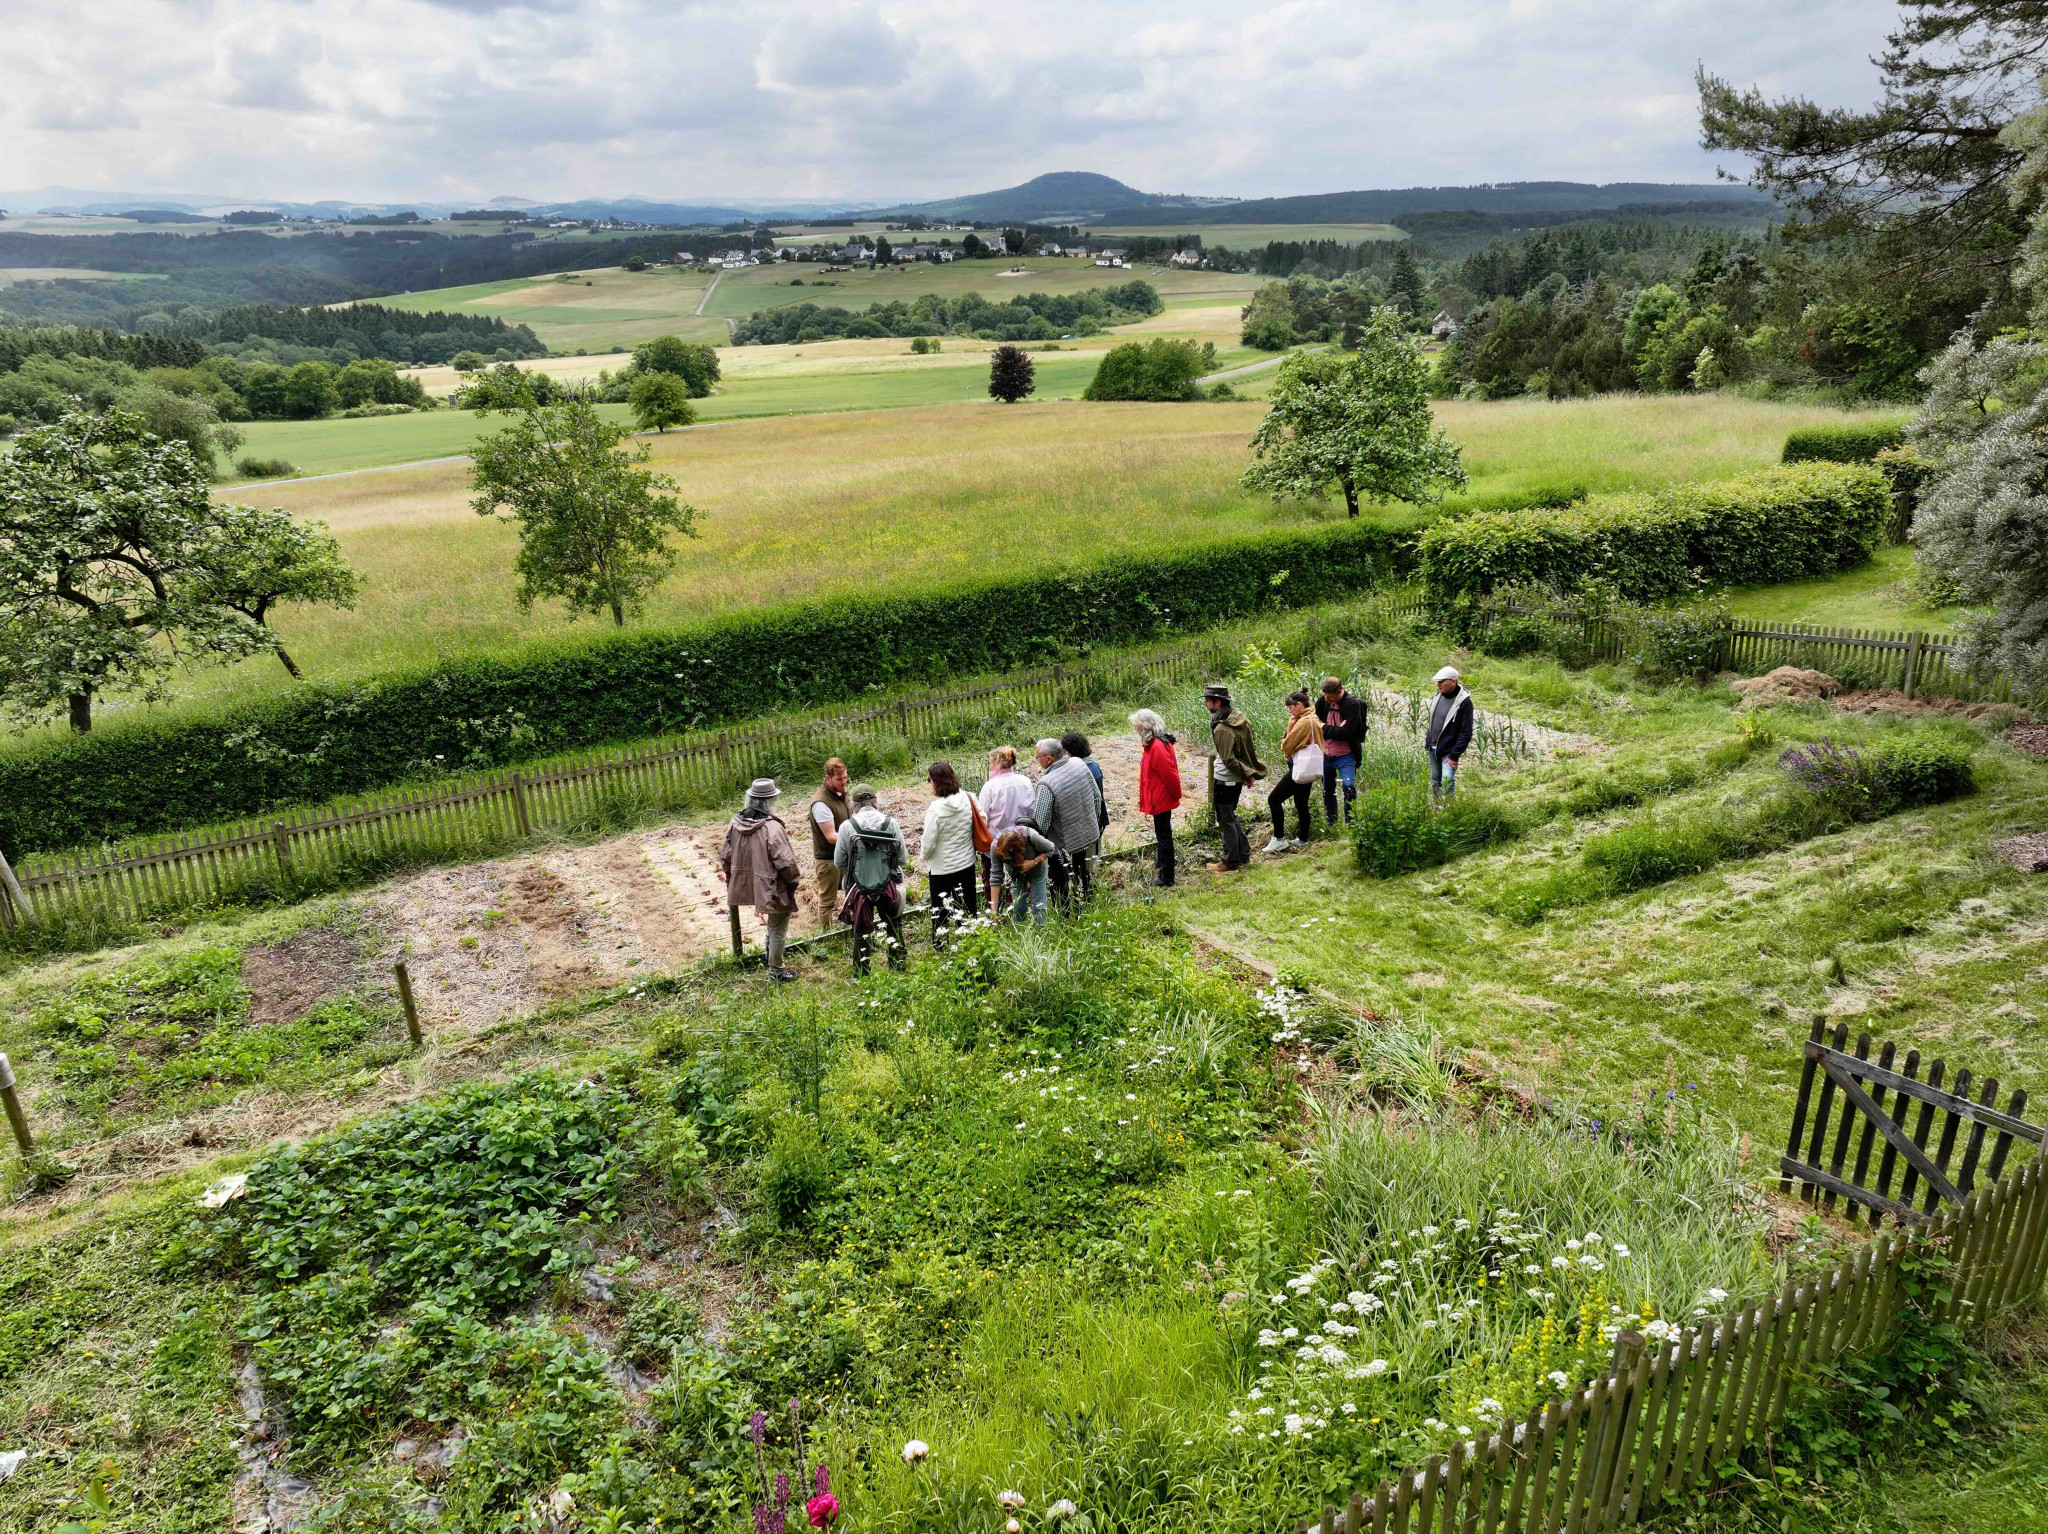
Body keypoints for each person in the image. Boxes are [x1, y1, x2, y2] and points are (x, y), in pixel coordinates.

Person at [718, 777, 801, 982]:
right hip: (772, 885)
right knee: (778, 925)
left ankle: (768, 953)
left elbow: (725, 856)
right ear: (770, 801)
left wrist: (734, 878)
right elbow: (786, 863)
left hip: (747, 881)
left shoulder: (735, 823)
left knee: (774, 926)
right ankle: (777, 971)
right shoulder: (772, 828)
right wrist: (793, 881)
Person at [832, 784, 908, 975]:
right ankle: (898, 964)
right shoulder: (890, 823)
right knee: (893, 924)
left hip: (859, 888)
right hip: (888, 884)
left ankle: (861, 971)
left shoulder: (847, 827)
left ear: (854, 805)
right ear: (875, 802)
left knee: (861, 929)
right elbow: (902, 859)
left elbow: (839, 862)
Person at [1033, 736, 1104, 910]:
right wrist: (1092, 824)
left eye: (1037, 757)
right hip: (1088, 835)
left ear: (1048, 759)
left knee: (1060, 884)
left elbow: (1040, 824)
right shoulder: (1079, 764)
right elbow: (1096, 797)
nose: (1036, 760)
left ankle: (1064, 916)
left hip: (1063, 846)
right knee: (1083, 878)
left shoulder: (1046, 784)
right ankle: (1086, 910)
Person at [1204, 684, 1264, 873]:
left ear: (1218, 702)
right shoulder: (1239, 718)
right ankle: (1243, 854)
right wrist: (1246, 773)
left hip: (1225, 778)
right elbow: (1246, 749)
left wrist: (1245, 774)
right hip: (1235, 778)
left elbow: (1229, 759)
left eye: (1207, 700)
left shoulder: (1222, 728)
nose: (1205, 704)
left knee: (1225, 818)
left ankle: (1230, 861)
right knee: (1230, 815)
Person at [920, 761, 979, 949]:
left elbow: (928, 844)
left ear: (936, 782)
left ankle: (941, 947)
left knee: (940, 910)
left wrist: (924, 856)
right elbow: (982, 820)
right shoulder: (969, 798)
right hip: (966, 862)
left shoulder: (935, 810)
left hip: (942, 869)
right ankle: (971, 943)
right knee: (968, 906)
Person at [1265, 690, 1323, 853]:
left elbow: (1287, 745)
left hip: (1300, 768)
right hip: (1309, 768)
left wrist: (1290, 727)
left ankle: (1279, 839)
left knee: (1274, 800)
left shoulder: (1303, 722)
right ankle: (1303, 840)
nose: (1289, 710)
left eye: (1290, 707)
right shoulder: (1314, 717)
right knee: (1301, 803)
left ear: (1299, 704)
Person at [977, 745, 1037, 906]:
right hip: (1021, 840)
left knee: (993, 879)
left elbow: (983, 818)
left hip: (996, 843)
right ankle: (1020, 908)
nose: (989, 767)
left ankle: (995, 911)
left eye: (990, 763)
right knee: (1020, 878)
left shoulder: (990, 786)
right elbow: (1032, 811)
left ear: (996, 763)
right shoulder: (1024, 781)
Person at [1130, 708, 1182, 888]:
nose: (1135, 729)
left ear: (1145, 727)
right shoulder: (1153, 744)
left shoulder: (1157, 746)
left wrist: (1176, 794)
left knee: (1164, 836)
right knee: (1162, 834)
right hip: (1158, 797)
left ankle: (1167, 876)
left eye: (1136, 725)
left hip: (1160, 799)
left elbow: (1170, 775)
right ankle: (1162, 866)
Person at [1315, 676, 1367, 825]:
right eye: (1324, 695)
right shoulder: (1322, 701)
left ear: (1339, 691)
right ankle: (1331, 822)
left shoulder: (1352, 704)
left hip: (1346, 754)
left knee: (1349, 786)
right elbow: (1313, 724)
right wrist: (1334, 729)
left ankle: (1350, 822)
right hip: (1325, 753)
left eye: (1329, 696)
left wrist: (1323, 727)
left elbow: (1347, 733)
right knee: (1327, 790)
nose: (1326, 699)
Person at [807, 758, 852, 930]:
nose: (843, 782)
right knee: (827, 901)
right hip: (829, 860)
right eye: (839, 779)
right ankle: (827, 936)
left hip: (844, 854)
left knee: (851, 892)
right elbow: (831, 836)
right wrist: (855, 835)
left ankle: (850, 926)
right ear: (827, 779)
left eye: (845, 778)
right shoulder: (821, 803)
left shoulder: (841, 794)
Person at [990, 822, 1056, 925]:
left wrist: (1034, 862)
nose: (1004, 858)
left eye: (1007, 856)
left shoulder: (1032, 837)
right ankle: (1020, 933)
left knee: (1038, 905)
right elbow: (995, 876)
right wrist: (993, 909)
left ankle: (1041, 930)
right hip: (1015, 874)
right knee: (1018, 906)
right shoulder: (996, 847)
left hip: (1037, 870)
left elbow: (1051, 848)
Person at [1426, 666, 1475, 797]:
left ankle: (1448, 811)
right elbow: (1433, 720)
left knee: (1447, 782)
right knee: (1435, 780)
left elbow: (1466, 732)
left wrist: (1454, 755)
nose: (1438, 684)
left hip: (1449, 751)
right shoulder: (1438, 695)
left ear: (1453, 681)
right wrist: (1428, 741)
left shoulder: (1464, 702)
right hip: (1433, 747)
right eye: (1438, 681)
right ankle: (1437, 808)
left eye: (1442, 681)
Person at [1061, 731, 1111, 841]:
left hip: (1089, 824)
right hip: (1098, 819)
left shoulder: (1082, 770)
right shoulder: (1092, 763)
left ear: (1069, 752)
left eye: (1064, 752)